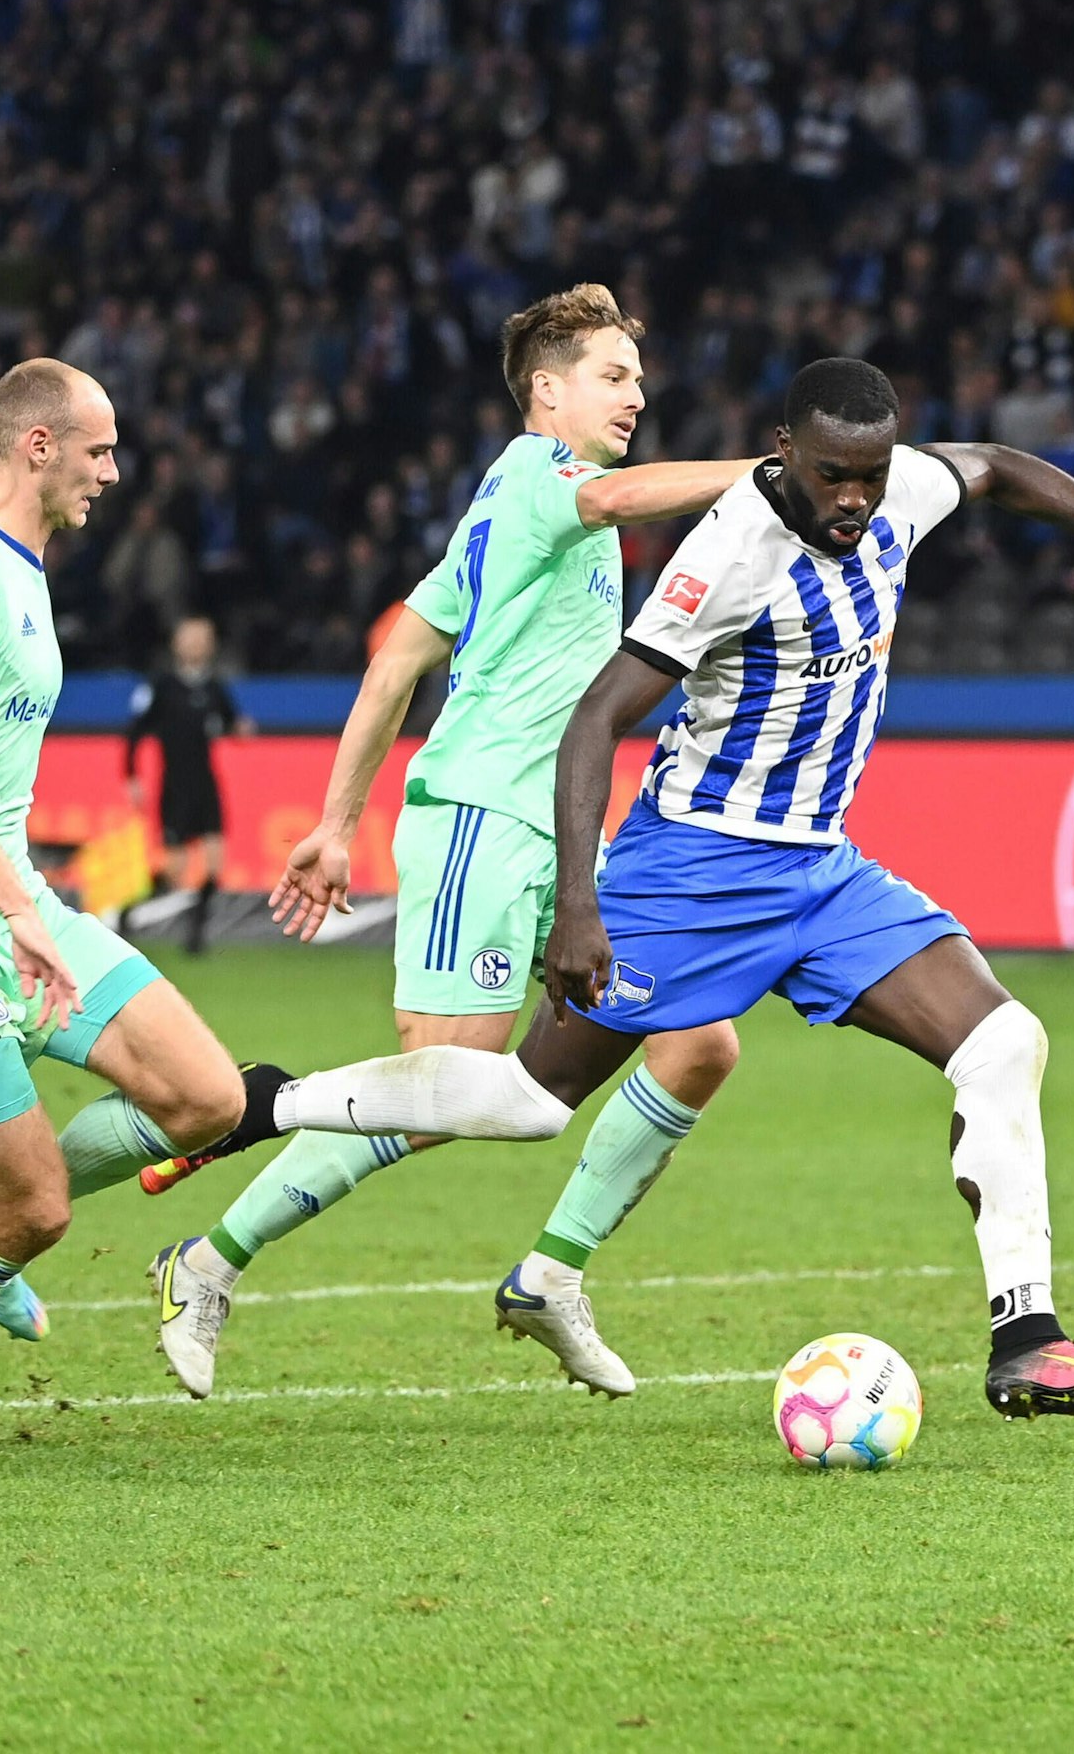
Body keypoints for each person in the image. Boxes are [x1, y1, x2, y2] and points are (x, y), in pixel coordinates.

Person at [195, 359, 1074, 1423]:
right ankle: (264, 1100)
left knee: (1003, 1042)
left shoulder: (896, 490)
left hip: (820, 870)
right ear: (783, 452)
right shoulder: (730, 550)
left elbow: (999, 467)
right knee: (525, 1101)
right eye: (831, 475)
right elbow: (597, 718)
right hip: (688, 871)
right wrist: (584, 908)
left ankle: (1027, 1339)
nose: (854, 499)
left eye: (868, 474)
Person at [146, 283, 751, 1398]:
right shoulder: (536, 477)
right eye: (613, 376)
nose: (636, 392)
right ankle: (205, 1258)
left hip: (565, 839)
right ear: (546, 391)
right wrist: (765, 474)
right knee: (447, 1089)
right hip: (483, 813)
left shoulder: (503, 514)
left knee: (695, 1042)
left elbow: (394, 661)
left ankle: (550, 1273)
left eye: (635, 375)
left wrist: (333, 826)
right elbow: (617, 496)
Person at [0, 358, 294, 1468]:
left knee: (206, 1097)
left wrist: (24, 903)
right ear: (37, 444)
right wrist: (15, 905)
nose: (112, 472)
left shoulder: (25, 569)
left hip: (10, 904)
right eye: (98, 449)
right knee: (36, 1209)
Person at [123, 615, 254, 953]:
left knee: (214, 863)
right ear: (177, 644)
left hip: (206, 784)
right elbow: (135, 732)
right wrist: (132, 775)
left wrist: (240, 729)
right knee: (175, 871)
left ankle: (196, 936)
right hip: (175, 787)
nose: (196, 644)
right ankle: (127, 914)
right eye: (190, 638)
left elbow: (229, 723)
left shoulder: (214, 688)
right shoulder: (161, 686)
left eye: (202, 638)